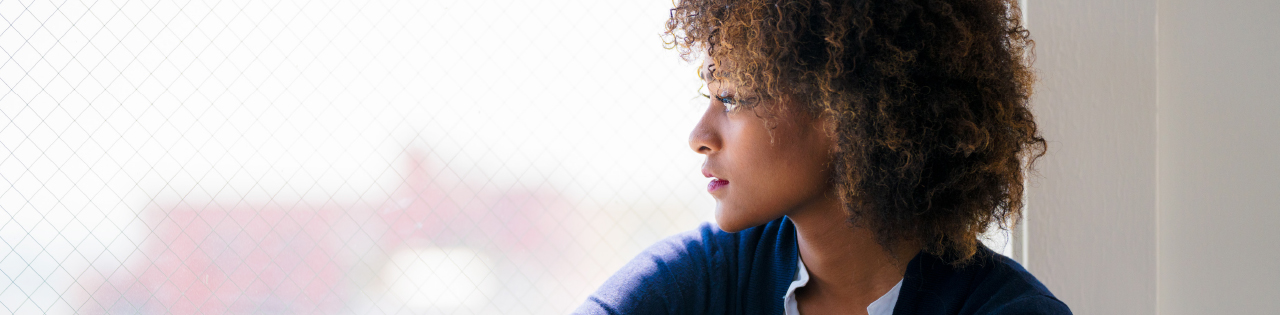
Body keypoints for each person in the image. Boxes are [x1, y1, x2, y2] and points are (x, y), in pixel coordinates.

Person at [576, 0, 1070, 314]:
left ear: (843, 110)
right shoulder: (703, 277)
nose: (699, 136)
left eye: (730, 98)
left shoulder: (1007, 310)